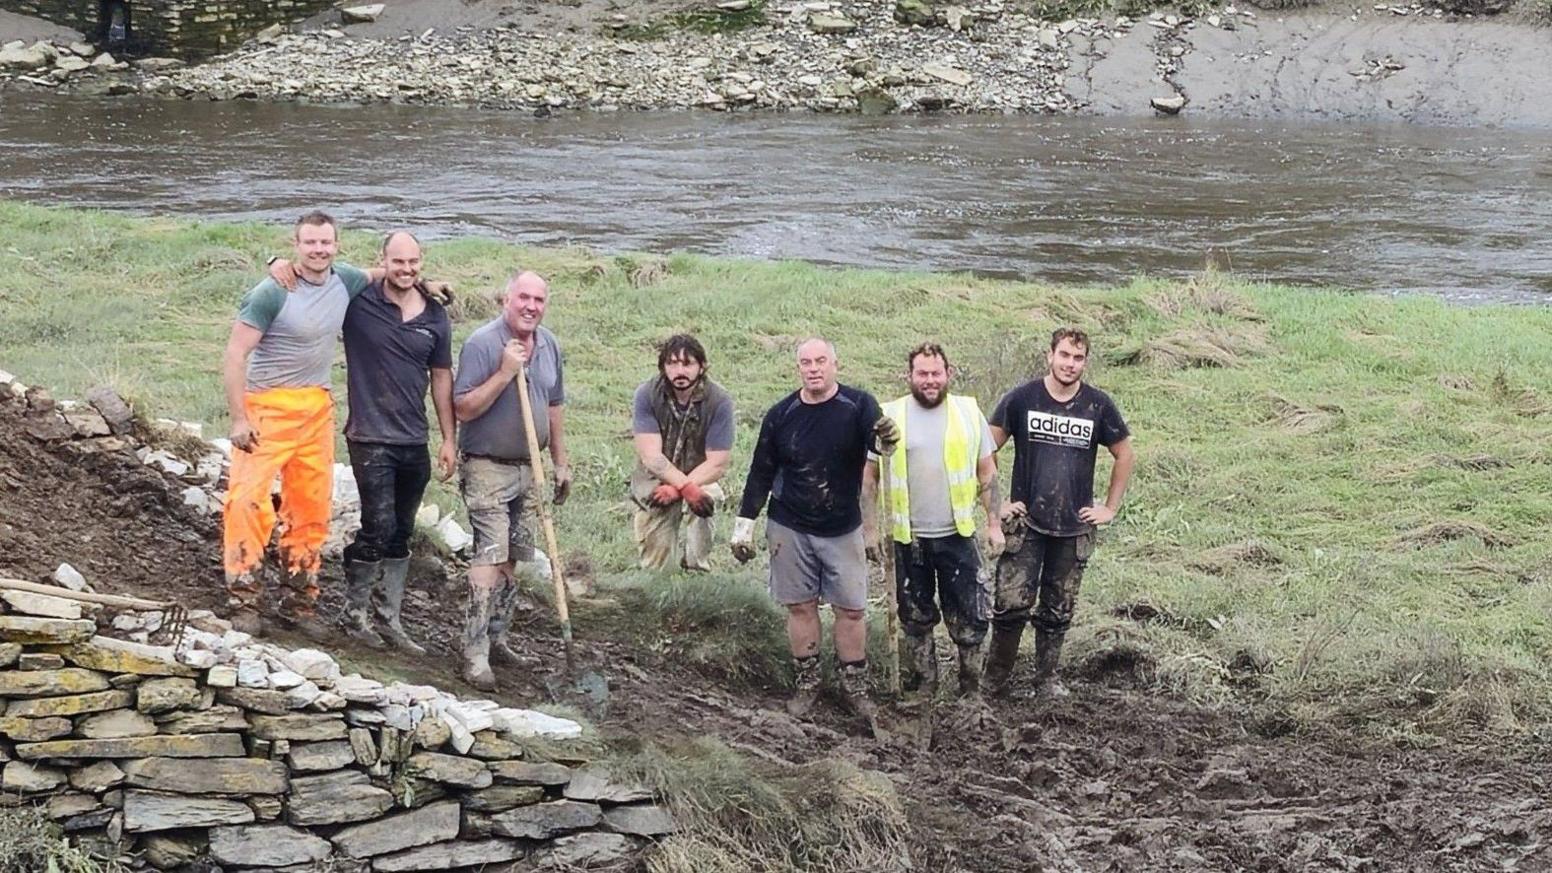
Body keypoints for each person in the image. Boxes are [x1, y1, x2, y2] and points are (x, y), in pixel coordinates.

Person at [221, 211, 372, 638]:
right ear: (296, 244)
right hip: (267, 406)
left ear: (337, 245)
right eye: (310, 243)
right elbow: (235, 356)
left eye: (326, 243)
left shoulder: (345, 279)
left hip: (316, 408)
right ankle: (244, 598)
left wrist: (426, 285)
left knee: (311, 506)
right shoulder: (272, 292)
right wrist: (239, 418)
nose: (319, 250)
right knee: (247, 502)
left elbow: (386, 274)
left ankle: (299, 602)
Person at [731, 338, 899, 719]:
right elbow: (761, 470)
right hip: (789, 524)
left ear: (835, 364)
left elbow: (879, 441)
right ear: (798, 369)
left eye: (820, 361)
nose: (813, 368)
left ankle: (854, 687)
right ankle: (807, 684)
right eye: (806, 362)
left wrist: (888, 438)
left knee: (852, 609)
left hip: (843, 525)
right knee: (800, 606)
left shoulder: (858, 405)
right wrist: (744, 525)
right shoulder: (781, 414)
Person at [985, 327, 1135, 698]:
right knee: (1010, 605)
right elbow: (983, 450)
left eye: (1078, 358)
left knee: (1058, 609)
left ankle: (1046, 681)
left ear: (1085, 362)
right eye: (1064, 355)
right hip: (1025, 524)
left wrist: (1110, 508)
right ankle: (994, 680)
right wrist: (997, 503)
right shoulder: (1022, 399)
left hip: (1073, 526)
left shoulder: (1098, 405)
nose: (1070, 364)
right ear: (1049, 356)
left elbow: (1125, 453)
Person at [337, 231, 455, 654]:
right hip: (369, 435)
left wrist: (449, 439)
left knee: (402, 531)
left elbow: (442, 378)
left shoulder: (435, 315)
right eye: (397, 262)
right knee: (378, 525)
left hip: (413, 438)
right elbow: (321, 272)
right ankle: (354, 615)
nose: (406, 270)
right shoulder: (358, 300)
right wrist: (278, 263)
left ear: (422, 263)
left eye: (414, 263)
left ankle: (390, 619)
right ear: (382, 261)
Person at [452, 271, 571, 690]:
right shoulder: (483, 344)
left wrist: (560, 461)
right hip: (486, 465)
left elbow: (554, 406)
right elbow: (463, 408)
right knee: (488, 554)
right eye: (524, 297)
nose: (531, 306)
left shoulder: (550, 344)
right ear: (507, 298)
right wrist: (504, 372)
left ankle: (498, 635)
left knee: (513, 556)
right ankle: (474, 650)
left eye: (539, 300)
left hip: (528, 467)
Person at [864, 342, 1003, 698]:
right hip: (908, 539)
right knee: (914, 618)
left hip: (957, 533)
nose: (929, 380)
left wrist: (993, 523)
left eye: (935, 373)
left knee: (971, 618)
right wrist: (869, 529)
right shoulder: (888, 415)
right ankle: (924, 688)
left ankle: (970, 691)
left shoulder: (968, 412)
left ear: (948, 374)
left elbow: (987, 472)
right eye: (922, 374)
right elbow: (869, 477)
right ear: (909, 375)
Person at [630, 334, 734, 572]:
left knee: (708, 498)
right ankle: (659, 582)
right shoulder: (647, 394)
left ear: (701, 366)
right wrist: (684, 489)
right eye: (672, 363)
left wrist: (681, 490)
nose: (679, 371)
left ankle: (697, 568)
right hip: (656, 480)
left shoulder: (719, 400)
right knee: (657, 568)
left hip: (700, 475)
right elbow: (652, 457)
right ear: (662, 367)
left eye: (687, 364)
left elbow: (717, 463)